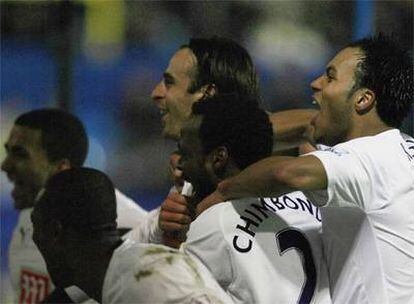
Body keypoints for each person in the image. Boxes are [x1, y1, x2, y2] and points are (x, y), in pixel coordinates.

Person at [198, 34, 414, 303]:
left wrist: (224, 190)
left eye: (331, 77)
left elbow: (287, 174)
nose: (316, 84)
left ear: (363, 99)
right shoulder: (399, 151)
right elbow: (302, 130)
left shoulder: (369, 158)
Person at [151, 36, 318, 244]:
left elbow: (313, 122)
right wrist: (162, 228)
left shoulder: (308, 153)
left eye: (169, 83)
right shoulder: (191, 180)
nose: (155, 93)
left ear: (207, 94)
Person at [171, 95, 330, 303]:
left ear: (218, 159)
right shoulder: (311, 202)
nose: (178, 165)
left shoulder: (212, 224)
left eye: (186, 154)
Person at [1, 109, 147, 304]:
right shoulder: (35, 210)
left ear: (62, 168)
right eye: (8, 151)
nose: (5, 165)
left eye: (20, 154)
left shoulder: (122, 230)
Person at [31, 167, 232, 304]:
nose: (34, 238)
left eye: (36, 226)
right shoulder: (123, 274)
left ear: (55, 232)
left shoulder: (148, 284)